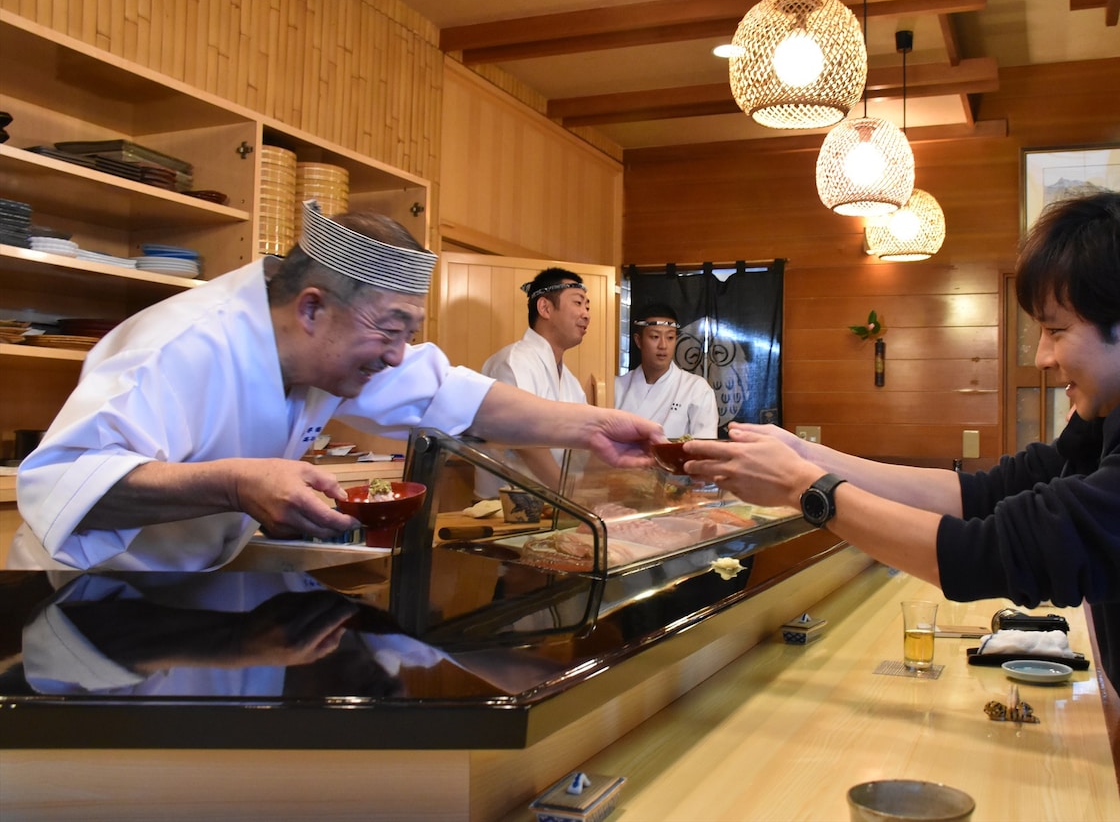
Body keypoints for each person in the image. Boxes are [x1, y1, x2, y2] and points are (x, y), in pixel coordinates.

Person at [682, 189, 1120, 819]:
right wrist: (813, 462)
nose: (1045, 357)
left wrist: (805, 491)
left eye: (1056, 330)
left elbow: (985, 555)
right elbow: (986, 496)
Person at [14, 202, 663, 571]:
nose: (399, 353)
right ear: (312, 308)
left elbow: (460, 396)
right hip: (85, 597)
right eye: (392, 329)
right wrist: (237, 482)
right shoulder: (182, 344)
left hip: (200, 580)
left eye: (410, 332)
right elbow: (62, 483)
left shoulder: (337, 347)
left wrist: (592, 425)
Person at [479, 267, 592, 489]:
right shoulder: (513, 362)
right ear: (545, 308)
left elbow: (586, 436)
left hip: (553, 503)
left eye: (587, 306)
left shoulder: (569, 380)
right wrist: (567, 491)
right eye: (578, 303)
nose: (586, 314)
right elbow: (524, 441)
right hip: (506, 508)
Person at [615, 304, 718, 439]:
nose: (663, 346)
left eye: (670, 337)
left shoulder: (696, 389)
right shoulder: (617, 387)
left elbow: (704, 447)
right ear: (638, 341)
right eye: (655, 337)